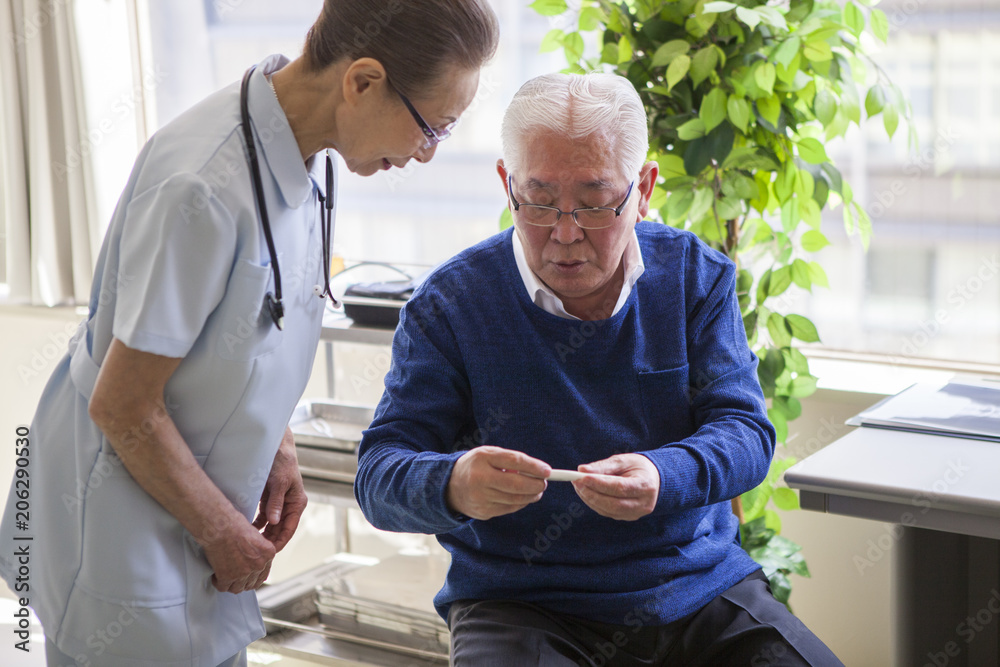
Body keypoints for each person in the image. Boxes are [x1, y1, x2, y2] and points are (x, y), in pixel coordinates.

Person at [0, 1, 498, 665]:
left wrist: (278, 440)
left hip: (194, 502)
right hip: (123, 522)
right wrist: (221, 531)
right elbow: (122, 403)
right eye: (432, 127)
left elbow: (252, 322)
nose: (426, 154)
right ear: (363, 81)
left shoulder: (305, 147)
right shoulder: (201, 187)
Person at [354, 72, 843, 666]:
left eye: (593, 203)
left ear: (643, 189)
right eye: (538, 201)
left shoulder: (693, 276)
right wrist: (454, 484)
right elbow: (379, 475)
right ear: (507, 184)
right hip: (520, 601)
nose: (564, 234)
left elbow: (746, 434)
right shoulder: (451, 305)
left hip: (695, 586)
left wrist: (665, 475)